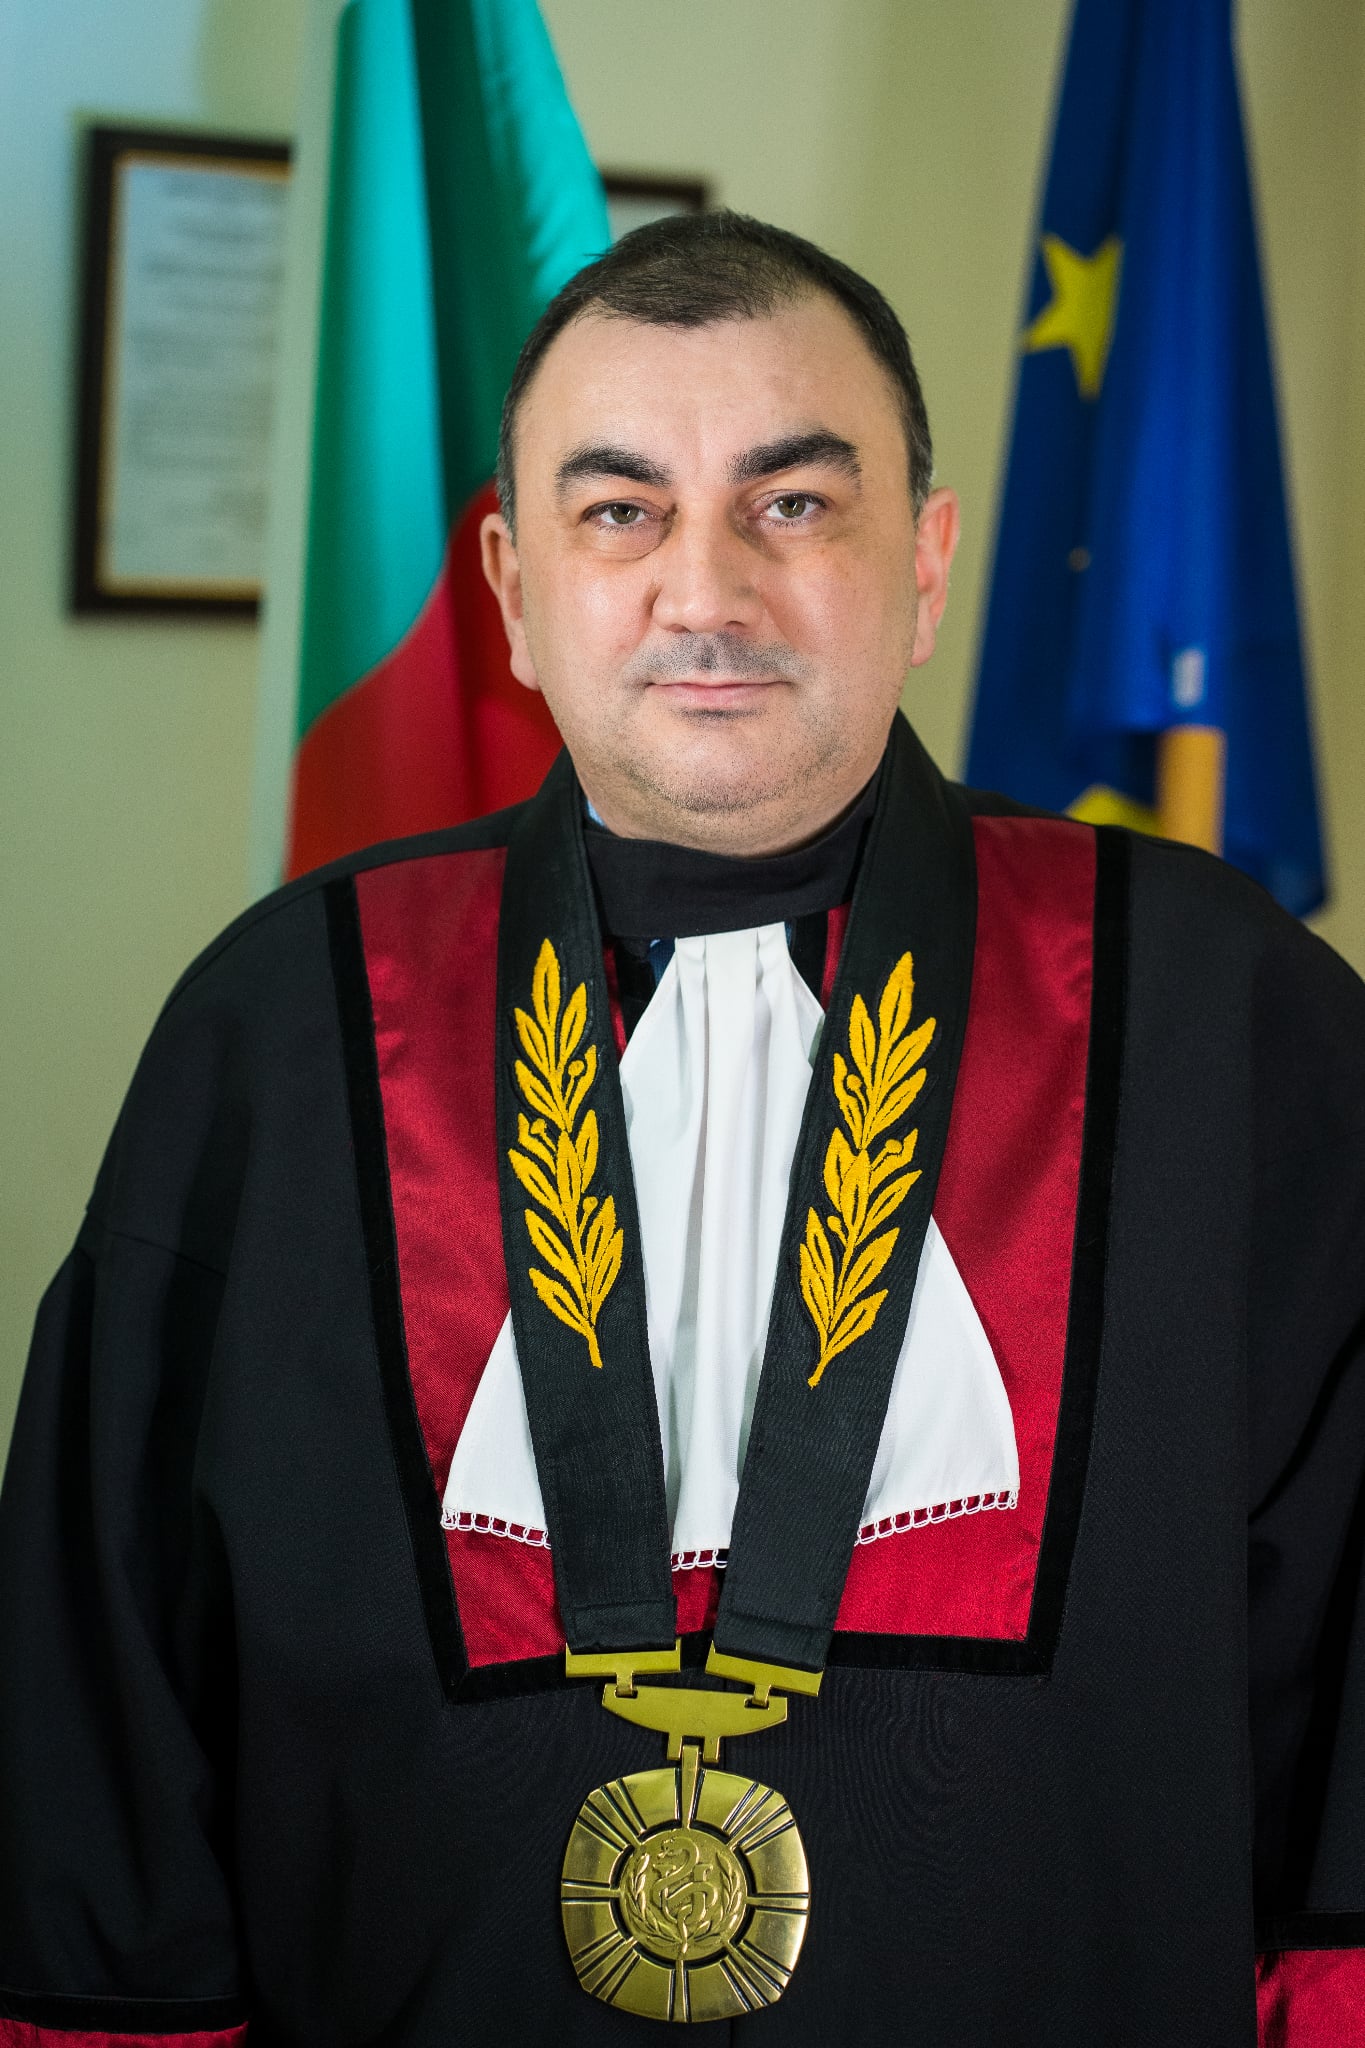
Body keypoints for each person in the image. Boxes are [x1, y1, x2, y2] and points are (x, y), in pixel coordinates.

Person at [2, 210, 1363, 2048]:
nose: (704, 590)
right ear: (510, 585)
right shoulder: (280, 1022)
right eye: (619, 511)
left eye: (791, 504)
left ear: (926, 563)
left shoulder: (1227, 1011)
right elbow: (100, 1689)